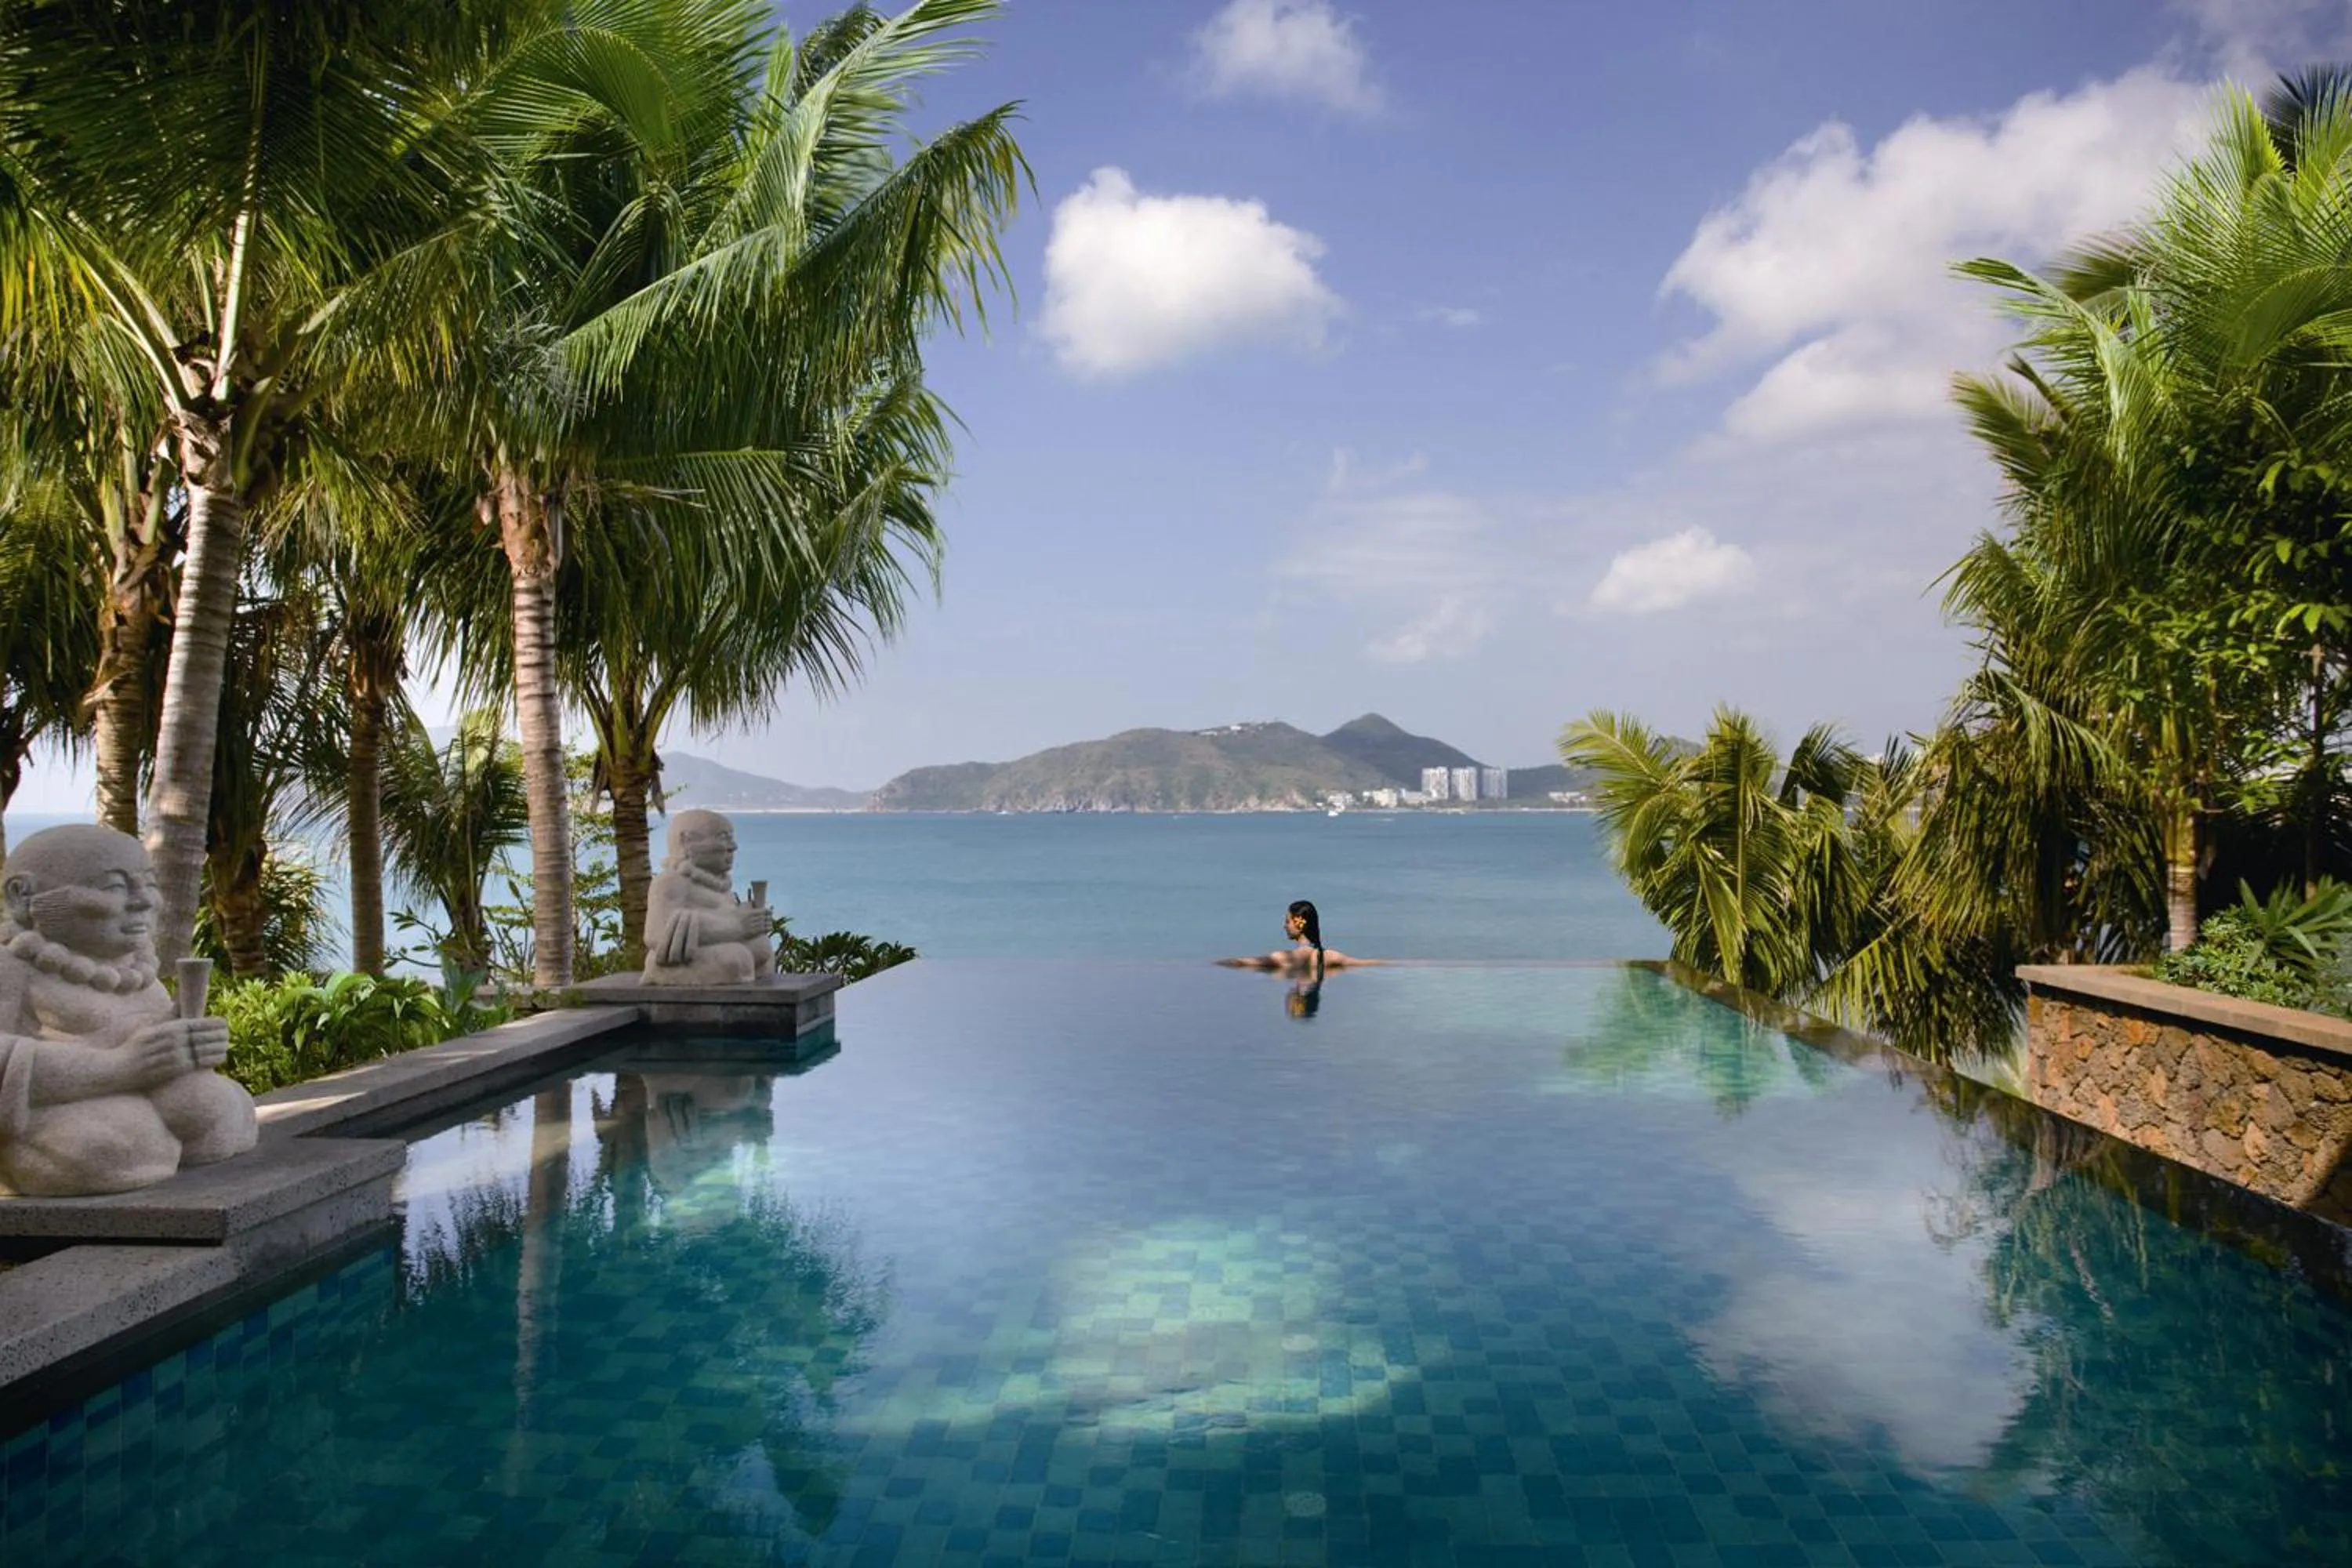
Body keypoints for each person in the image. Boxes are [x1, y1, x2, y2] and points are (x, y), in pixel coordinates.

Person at [1218, 899, 1374, 976]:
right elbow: (1366, 963)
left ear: (1300, 924)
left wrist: (1214, 965)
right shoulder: (1332, 956)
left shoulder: (1283, 958)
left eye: (1288, 922)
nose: (1285, 926)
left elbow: (1244, 963)